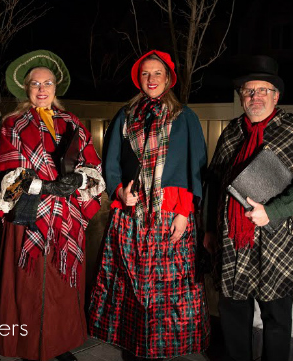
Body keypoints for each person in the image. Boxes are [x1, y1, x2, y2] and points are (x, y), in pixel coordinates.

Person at [203, 55, 293, 361]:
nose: (255, 97)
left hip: (277, 242)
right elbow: (214, 184)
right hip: (234, 242)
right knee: (233, 314)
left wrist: (272, 211)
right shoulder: (231, 134)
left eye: (262, 91)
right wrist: (210, 230)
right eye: (249, 91)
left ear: (276, 96)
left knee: (276, 320)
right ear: (242, 98)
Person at [88, 50, 209, 360]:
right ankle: (135, 344)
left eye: (158, 73)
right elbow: (111, 160)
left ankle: (166, 347)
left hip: (171, 211)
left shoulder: (185, 116)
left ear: (168, 79)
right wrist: (118, 192)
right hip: (132, 214)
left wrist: (184, 211)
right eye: (145, 74)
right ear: (138, 79)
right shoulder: (125, 115)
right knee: (132, 284)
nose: (151, 79)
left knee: (168, 287)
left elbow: (196, 166)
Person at [0, 50, 105, 361]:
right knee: (29, 283)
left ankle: (58, 343)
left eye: (48, 83)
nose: (42, 89)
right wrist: (44, 187)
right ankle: (28, 346)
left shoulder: (73, 123)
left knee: (63, 282)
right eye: (35, 83)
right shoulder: (12, 124)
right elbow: (5, 175)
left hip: (66, 215)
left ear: (57, 87)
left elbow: (91, 165)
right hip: (29, 216)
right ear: (25, 89)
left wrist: (78, 182)